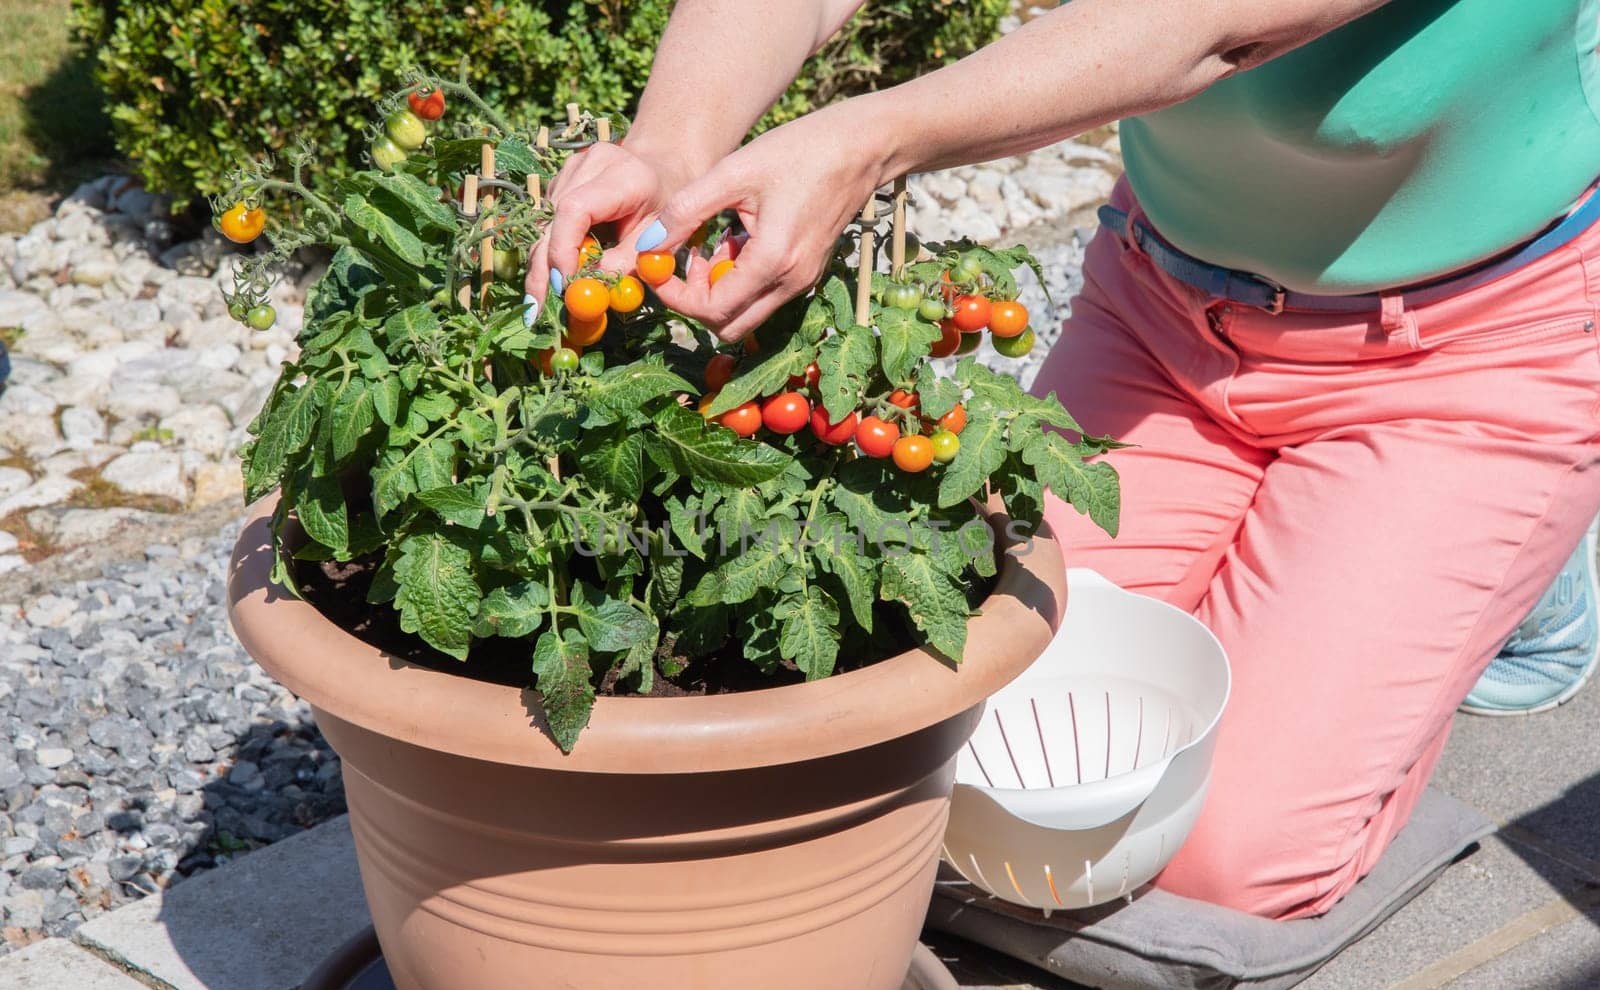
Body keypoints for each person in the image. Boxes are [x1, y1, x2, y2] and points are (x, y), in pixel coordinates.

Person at [526, 0, 1600, 920]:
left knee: (1226, 856)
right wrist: (672, 146)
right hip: (1164, 315)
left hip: (1469, 356)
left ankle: (1528, 578)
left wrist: (869, 140)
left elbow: (1207, 29)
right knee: (953, 732)